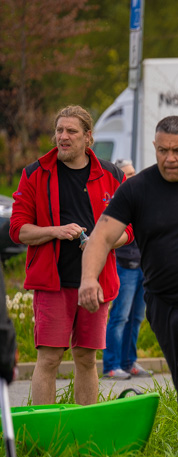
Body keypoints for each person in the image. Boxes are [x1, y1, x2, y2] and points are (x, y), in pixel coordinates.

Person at [78, 115, 178, 457]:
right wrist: (88, 279)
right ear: (154, 147)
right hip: (162, 302)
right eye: (163, 150)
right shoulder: (137, 189)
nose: (170, 158)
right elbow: (100, 237)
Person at [9, 105, 131, 406]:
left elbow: (131, 230)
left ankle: (85, 431)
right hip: (53, 282)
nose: (63, 137)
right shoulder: (35, 173)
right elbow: (18, 230)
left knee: (87, 358)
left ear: (88, 136)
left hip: (96, 283)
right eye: (59, 131)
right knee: (49, 358)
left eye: (71, 131)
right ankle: (45, 434)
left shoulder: (112, 175)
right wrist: (55, 231)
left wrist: (102, 243)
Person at [102, 159, 152, 380]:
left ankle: (128, 362)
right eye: (126, 174)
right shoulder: (115, 202)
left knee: (136, 317)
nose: (132, 177)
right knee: (119, 317)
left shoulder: (142, 197)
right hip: (123, 266)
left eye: (133, 173)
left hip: (143, 266)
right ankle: (111, 366)